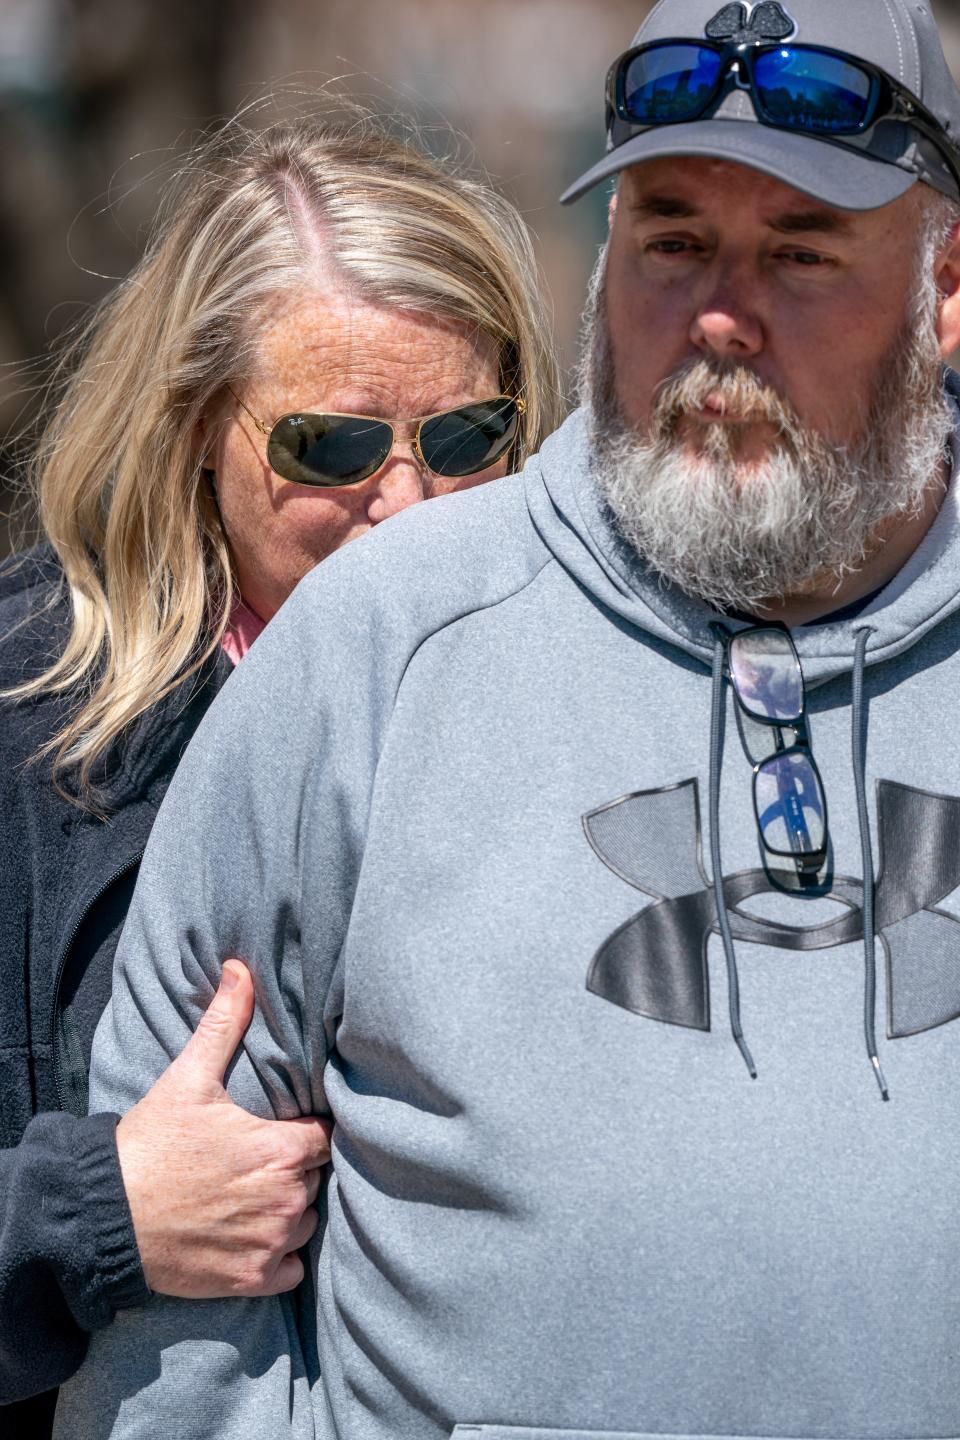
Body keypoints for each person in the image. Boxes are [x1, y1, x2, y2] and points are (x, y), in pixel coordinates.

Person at [55, 0, 960, 1435]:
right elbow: (170, 1322)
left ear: (945, 284)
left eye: (799, 250)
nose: (724, 314)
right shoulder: (363, 652)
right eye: (672, 241)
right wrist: (83, 1215)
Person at [0, 110, 561, 1438]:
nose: (412, 507)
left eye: (474, 434)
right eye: (333, 447)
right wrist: (100, 1213)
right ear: (193, 426)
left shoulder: (598, 708)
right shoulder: (24, 719)